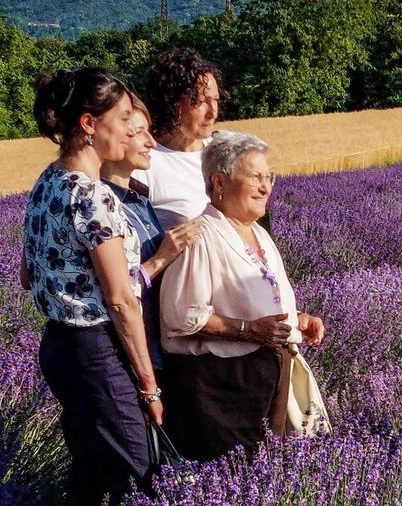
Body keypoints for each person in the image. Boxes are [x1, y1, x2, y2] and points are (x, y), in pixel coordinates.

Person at [24, 68, 161, 505]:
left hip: (59, 349)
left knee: (92, 470)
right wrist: (148, 385)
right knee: (141, 471)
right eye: (123, 118)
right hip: (96, 353)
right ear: (89, 124)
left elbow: (28, 275)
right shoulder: (92, 196)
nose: (131, 129)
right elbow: (121, 301)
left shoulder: (47, 182)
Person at [159, 130, 328, 461]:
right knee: (236, 478)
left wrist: (298, 320)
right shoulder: (201, 236)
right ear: (219, 183)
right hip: (223, 391)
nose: (267, 187)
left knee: (266, 474)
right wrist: (250, 331)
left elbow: (255, 297)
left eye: (269, 177)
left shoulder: (259, 234)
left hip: (264, 381)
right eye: (256, 177)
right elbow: (180, 316)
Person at [99, 95, 203, 375]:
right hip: (129, 357)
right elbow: (114, 294)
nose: (152, 142)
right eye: (139, 132)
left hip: (160, 344)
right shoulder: (103, 205)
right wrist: (162, 257)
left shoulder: (139, 198)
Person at [134, 47, 222, 230]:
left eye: (215, 100)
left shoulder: (222, 152)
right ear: (171, 103)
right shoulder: (143, 165)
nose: (213, 112)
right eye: (200, 102)